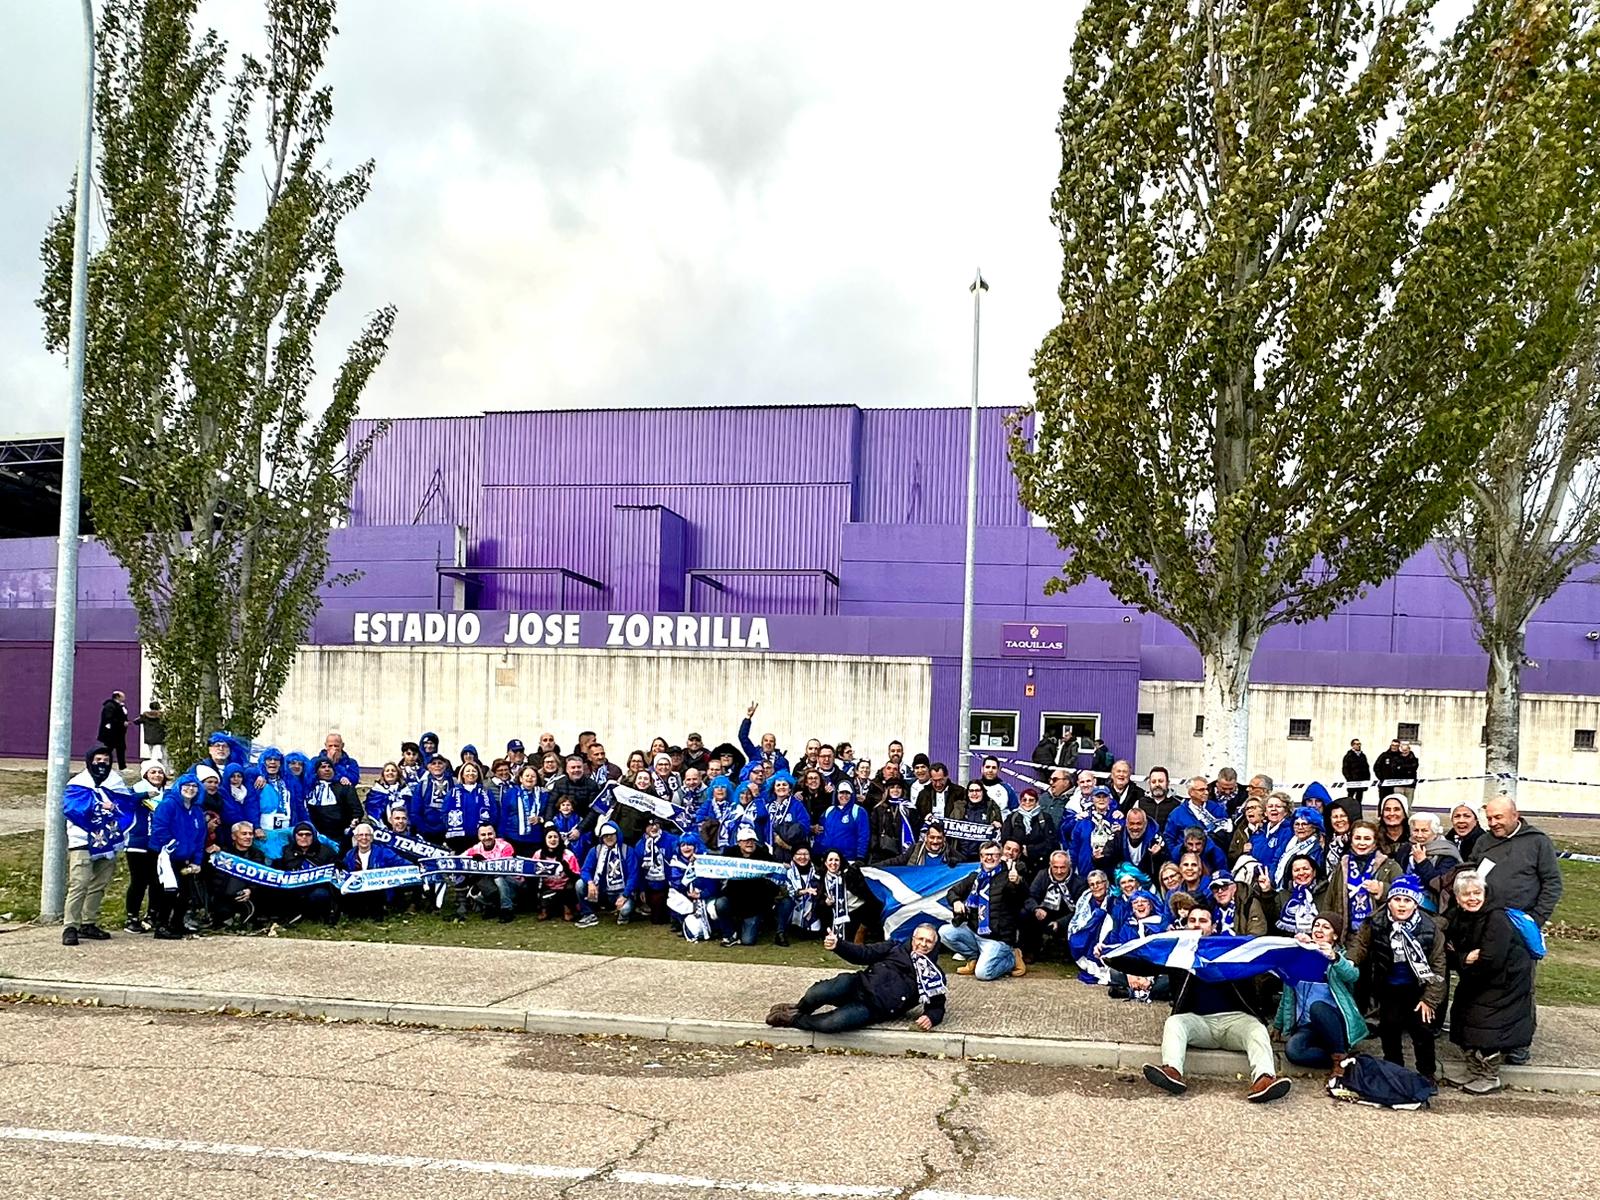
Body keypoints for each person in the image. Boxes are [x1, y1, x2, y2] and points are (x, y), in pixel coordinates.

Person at [1140, 907, 1292, 1102]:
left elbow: (1270, 957)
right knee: (1174, 1023)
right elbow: (1144, 959)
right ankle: (1172, 1071)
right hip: (1199, 1022)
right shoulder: (1178, 954)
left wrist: (1300, 947)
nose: (1196, 924)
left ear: (1213, 927)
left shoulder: (1233, 950)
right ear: (1185, 925)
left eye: (1202, 920)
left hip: (1234, 1022)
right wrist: (1112, 954)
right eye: (1192, 920)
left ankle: (1264, 1079)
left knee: (1257, 1029)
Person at [1471, 794, 1562, 1065]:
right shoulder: (1484, 841)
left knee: (1520, 988)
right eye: (1489, 818)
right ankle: (1489, 1040)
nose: (1494, 823)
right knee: (1487, 987)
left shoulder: (1538, 842)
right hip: (1487, 927)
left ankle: (1519, 1044)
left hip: (1521, 928)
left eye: (1498, 817)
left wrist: (1535, 919)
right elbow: (1472, 873)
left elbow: (1552, 884)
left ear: (1515, 815)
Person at [1445, 870, 1536, 1094]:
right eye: (1466, 894)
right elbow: (1449, 950)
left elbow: (1491, 959)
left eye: (1477, 892)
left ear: (1485, 893)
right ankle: (1474, 1070)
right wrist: (1464, 958)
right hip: (1478, 977)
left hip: (1505, 981)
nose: (1472, 898)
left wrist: (1462, 959)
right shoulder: (1458, 916)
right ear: (1457, 898)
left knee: (1486, 1026)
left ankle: (1489, 1075)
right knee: (1463, 1018)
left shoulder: (1497, 918)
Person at [1349, 875, 1446, 1083]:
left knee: (1422, 1030)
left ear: (1415, 903)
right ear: (1389, 901)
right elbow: (1361, 946)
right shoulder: (1376, 921)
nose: (1401, 905)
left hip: (1418, 986)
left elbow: (1438, 965)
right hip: (1389, 984)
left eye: (1407, 900)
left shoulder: (1430, 928)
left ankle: (1427, 1073)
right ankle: (1394, 1069)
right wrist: (1349, 961)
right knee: (1389, 1027)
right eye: (1397, 899)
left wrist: (1430, 999)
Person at [766, 923, 947, 1035]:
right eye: (920, 939)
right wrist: (839, 945)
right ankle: (798, 1008)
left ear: (934, 945)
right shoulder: (893, 948)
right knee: (818, 992)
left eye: (928, 941)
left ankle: (792, 1020)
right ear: (913, 938)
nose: (923, 944)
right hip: (857, 984)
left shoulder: (935, 975)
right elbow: (863, 953)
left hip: (873, 1008)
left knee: (832, 1023)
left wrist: (931, 1017)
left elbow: (937, 1005)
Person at [61, 745, 137, 946]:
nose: (101, 764)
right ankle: (70, 926)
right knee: (79, 884)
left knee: (99, 885)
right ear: (89, 762)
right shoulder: (77, 784)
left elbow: (125, 806)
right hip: (83, 841)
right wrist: (97, 804)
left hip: (108, 842)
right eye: (97, 760)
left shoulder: (116, 783)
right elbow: (72, 808)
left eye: (105, 760)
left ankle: (89, 922)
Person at [1273, 913, 1367, 1068]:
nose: (1319, 930)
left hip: (1333, 1022)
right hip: (1307, 1025)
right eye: (1316, 925)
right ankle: (1343, 1060)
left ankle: (1339, 1058)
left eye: (1326, 927)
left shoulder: (1341, 957)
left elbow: (1352, 976)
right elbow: (1288, 996)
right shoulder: (1300, 958)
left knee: (1317, 1007)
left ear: (1335, 936)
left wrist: (1334, 958)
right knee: (1293, 1050)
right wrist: (1278, 1025)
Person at [940, 841, 1024, 980]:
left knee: (983, 974)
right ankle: (974, 958)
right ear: (980, 857)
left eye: (994, 855)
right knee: (944, 932)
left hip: (997, 938)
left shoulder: (1008, 875)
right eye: (986, 855)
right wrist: (956, 901)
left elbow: (1021, 895)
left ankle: (1012, 958)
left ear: (1000, 856)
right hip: (975, 932)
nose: (989, 858)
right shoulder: (975, 877)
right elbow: (952, 892)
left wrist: (1016, 882)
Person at [150, 772, 209, 939]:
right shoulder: (168, 805)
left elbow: (200, 837)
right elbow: (160, 828)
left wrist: (197, 860)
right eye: (186, 786)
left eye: (194, 786)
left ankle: (177, 923)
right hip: (165, 856)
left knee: (185, 892)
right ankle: (161, 926)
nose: (190, 789)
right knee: (169, 890)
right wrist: (174, 847)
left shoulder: (197, 810)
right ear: (179, 787)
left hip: (185, 859)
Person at [577, 822, 638, 928]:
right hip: (601, 890)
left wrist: (625, 895)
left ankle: (622, 915)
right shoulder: (595, 851)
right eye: (605, 835)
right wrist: (590, 883)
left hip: (621, 891)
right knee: (580, 884)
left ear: (617, 834)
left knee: (625, 910)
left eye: (611, 834)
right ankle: (588, 914)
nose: (608, 838)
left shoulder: (627, 851)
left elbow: (633, 875)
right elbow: (585, 870)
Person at [208, 821, 268, 929]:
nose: (248, 837)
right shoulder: (223, 853)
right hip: (224, 898)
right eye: (244, 834)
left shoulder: (258, 855)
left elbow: (261, 879)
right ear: (234, 836)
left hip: (248, 897)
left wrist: (251, 890)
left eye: (250, 834)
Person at [461, 821, 518, 922]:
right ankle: (493, 907)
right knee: (474, 892)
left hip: (510, 883)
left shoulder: (505, 846)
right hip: (491, 885)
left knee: (498, 877)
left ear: (495, 834)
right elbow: (459, 859)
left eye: (490, 834)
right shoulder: (476, 848)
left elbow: (506, 870)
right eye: (483, 835)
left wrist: (484, 862)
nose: (487, 837)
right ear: (478, 837)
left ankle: (507, 909)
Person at [530, 826, 581, 921]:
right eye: (549, 837)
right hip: (547, 887)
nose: (553, 840)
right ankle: (543, 909)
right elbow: (532, 873)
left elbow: (577, 876)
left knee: (571, 886)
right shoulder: (538, 854)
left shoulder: (568, 855)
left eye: (555, 837)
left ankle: (568, 911)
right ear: (545, 840)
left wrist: (567, 869)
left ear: (559, 839)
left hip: (565, 887)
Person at [97, 692, 130, 770]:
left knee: (121, 749)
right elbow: (109, 718)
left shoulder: (120, 706)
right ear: (118, 697)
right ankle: (104, 764)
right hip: (111, 733)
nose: (124, 697)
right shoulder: (110, 706)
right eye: (123, 696)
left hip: (119, 733)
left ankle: (122, 767)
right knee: (108, 749)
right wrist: (122, 722)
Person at [134, 700, 168, 770]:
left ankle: (153, 768)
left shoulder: (145, 716)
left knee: (152, 754)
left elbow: (135, 721)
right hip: (161, 737)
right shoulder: (162, 716)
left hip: (149, 738)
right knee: (165, 755)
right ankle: (166, 769)